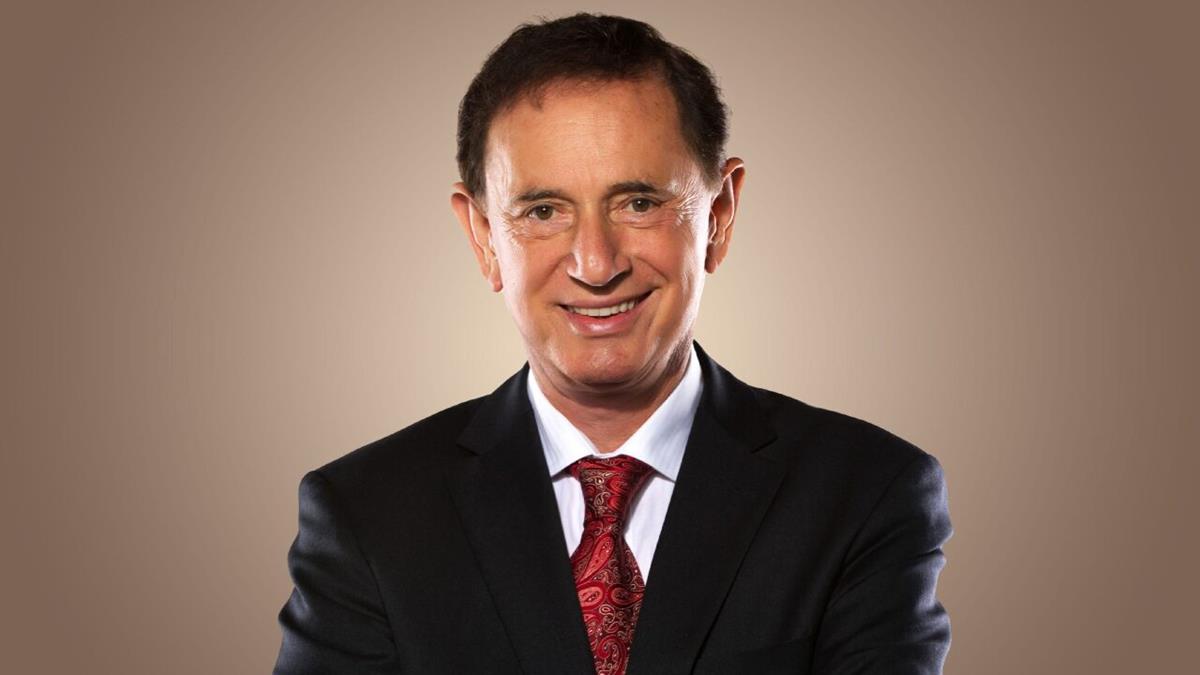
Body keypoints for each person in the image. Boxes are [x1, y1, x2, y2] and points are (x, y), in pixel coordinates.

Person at [274, 12, 952, 675]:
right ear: (483, 237)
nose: (595, 265)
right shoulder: (368, 514)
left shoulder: (863, 493)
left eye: (639, 203)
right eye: (544, 210)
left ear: (719, 217)